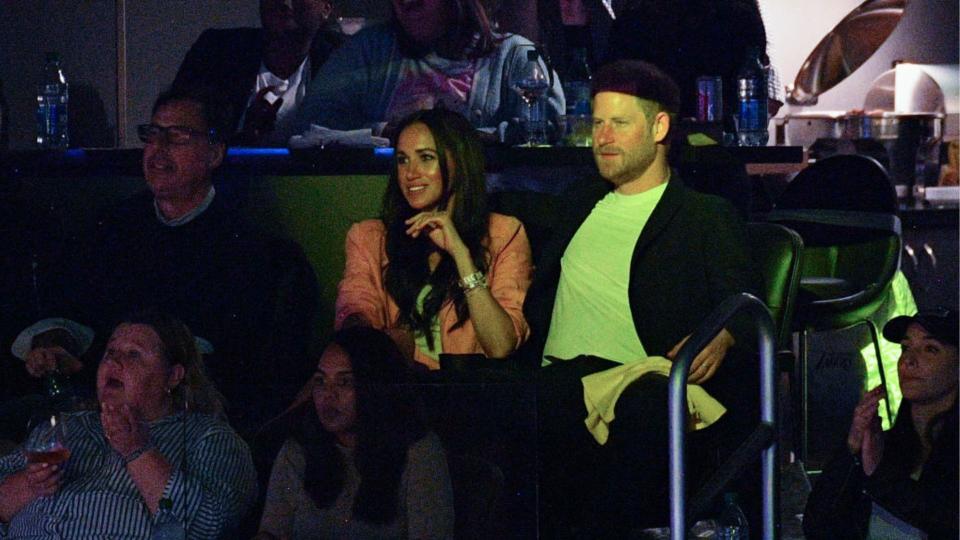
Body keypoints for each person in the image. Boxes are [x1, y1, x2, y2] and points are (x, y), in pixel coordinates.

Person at [522, 60, 758, 534]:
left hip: (639, 384)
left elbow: (747, 306)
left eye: (620, 123)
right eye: (598, 123)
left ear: (659, 126)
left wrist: (726, 335)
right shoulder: (578, 204)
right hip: (560, 381)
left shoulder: (703, 216)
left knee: (646, 409)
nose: (603, 137)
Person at [26, 88, 318, 437]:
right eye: (153, 134)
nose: (159, 149)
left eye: (177, 136)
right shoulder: (112, 227)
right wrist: (57, 343)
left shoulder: (246, 246)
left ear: (214, 153)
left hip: (188, 421)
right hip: (97, 401)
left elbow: (234, 364)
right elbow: (74, 308)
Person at [0, 311, 257, 538]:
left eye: (133, 354)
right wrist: (32, 483)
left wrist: (139, 452)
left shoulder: (208, 437)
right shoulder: (67, 427)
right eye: (110, 352)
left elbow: (210, 527)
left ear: (173, 376)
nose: (113, 361)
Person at [335, 108, 532, 370]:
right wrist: (373, 336)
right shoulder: (370, 238)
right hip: (398, 394)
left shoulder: (504, 234)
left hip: (468, 398)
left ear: (459, 163)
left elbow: (500, 345)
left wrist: (461, 255)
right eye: (403, 160)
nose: (410, 173)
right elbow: (355, 311)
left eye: (426, 158)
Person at [256, 326, 454, 539]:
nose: (328, 395)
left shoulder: (418, 454)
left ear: (375, 386)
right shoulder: (298, 451)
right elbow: (272, 532)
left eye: (344, 382)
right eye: (321, 381)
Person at [291, 0, 564, 135]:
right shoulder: (369, 51)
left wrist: (472, 140)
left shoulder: (516, 56)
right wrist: (384, 130)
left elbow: (549, 133)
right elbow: (311, 124)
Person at [803, 309, 959, 539]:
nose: (909, 360)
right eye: (905, 348)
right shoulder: (885, 445)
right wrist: (851, 449)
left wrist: (879, 476)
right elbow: (818, 527)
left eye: (930, 349)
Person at [172, 0, 344, 145]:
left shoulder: (343, 59)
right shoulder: (216, 52)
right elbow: (178, 131)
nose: (284, 2)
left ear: (325, 9)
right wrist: (243, 136)